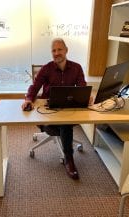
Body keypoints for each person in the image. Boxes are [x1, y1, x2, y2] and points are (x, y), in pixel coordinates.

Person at [21, 38, 86, 180]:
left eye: (59, 49)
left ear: (66, 50)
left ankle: (68, 156)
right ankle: (69, 159)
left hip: (68, 109)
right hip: (48, 112)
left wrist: (87, 96)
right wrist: (28, 99)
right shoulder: (46, 68)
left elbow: (82, 88)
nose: (56, 53)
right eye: (53, 50)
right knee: (65, 124)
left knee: (65, 122)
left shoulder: (76, 68)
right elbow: (34, 87)